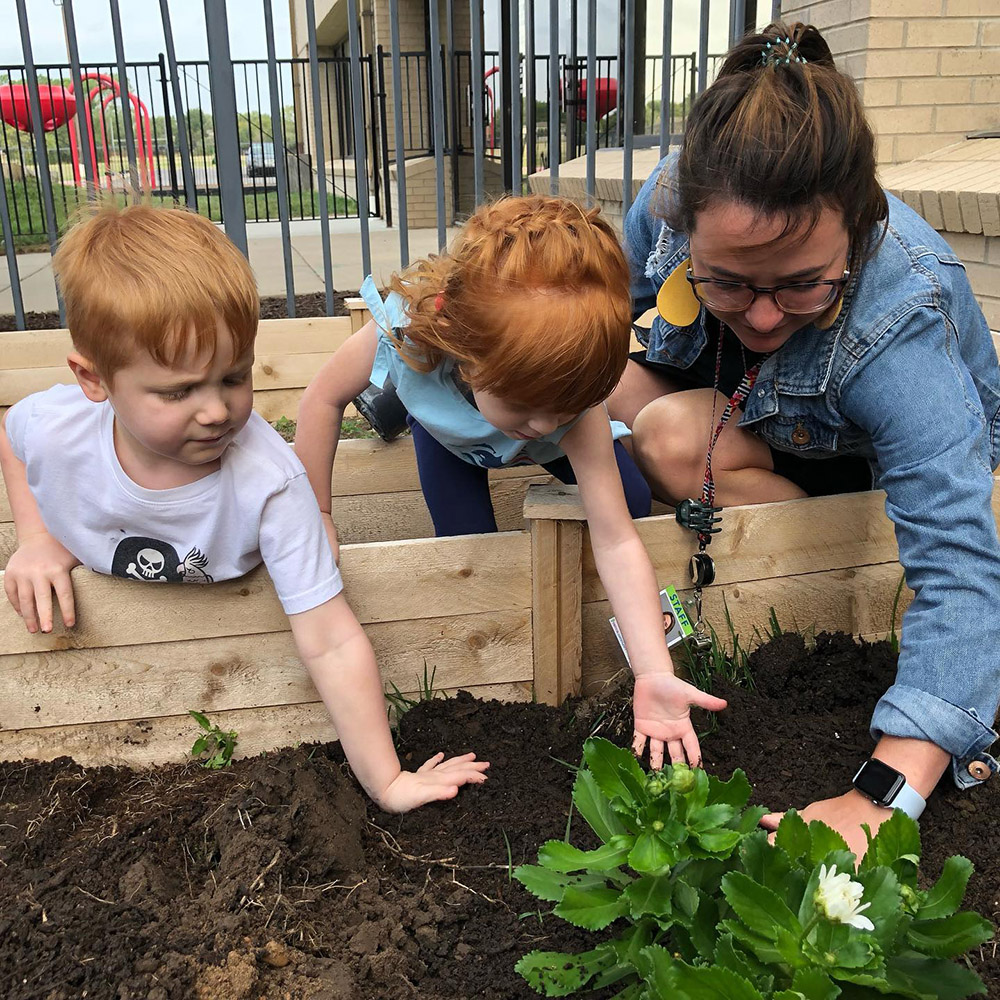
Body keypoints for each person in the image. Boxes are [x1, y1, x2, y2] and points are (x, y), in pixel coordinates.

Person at [611, 22, 1000, 856]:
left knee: (671, 440)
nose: (758, 313)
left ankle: (804, 544)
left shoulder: (902, 328)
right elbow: (597, 305)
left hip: (850, 448)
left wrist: (884, 793)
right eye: (726, 281)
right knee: (600, 387)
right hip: (759, 403)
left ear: (855, 232)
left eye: (800, 286)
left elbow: (962, 570)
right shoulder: (671, 199)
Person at [0, 203, 488, 813]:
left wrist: (387, 782)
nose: (215, 411)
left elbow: (331, 641)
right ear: (94, 380)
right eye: (178, 391)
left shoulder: (270, 483)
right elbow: (12, 436)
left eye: (233, 377)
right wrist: (38, 536)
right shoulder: (59, 429)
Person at [295, 195, 727, 770]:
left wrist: (652, 670)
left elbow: (617, 538)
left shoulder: (563, 415)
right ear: (464, 348)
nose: (546, 422)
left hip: (545, 442)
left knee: (629, 498)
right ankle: (406, 407)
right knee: (472, 552)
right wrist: (317, 514)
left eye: (567, 402)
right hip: (449, 439)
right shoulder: (408, 337)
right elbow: (321, 399)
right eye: (527, 404)